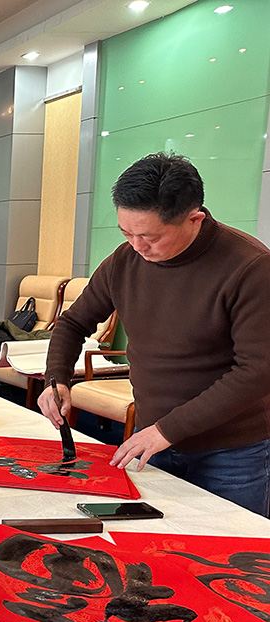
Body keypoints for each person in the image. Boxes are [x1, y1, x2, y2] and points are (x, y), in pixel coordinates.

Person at [40, 152, 270, 516]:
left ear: (194, 219)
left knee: (229, 544)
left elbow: (257, 371)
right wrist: (58, 379)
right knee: (152, 539)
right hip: (152, 439)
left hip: (232, 452)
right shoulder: (125, 261)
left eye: (149, 236)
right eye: (126, 233)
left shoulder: (250, 266)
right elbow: (73, 323)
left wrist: (166, 429)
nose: (137, 246)